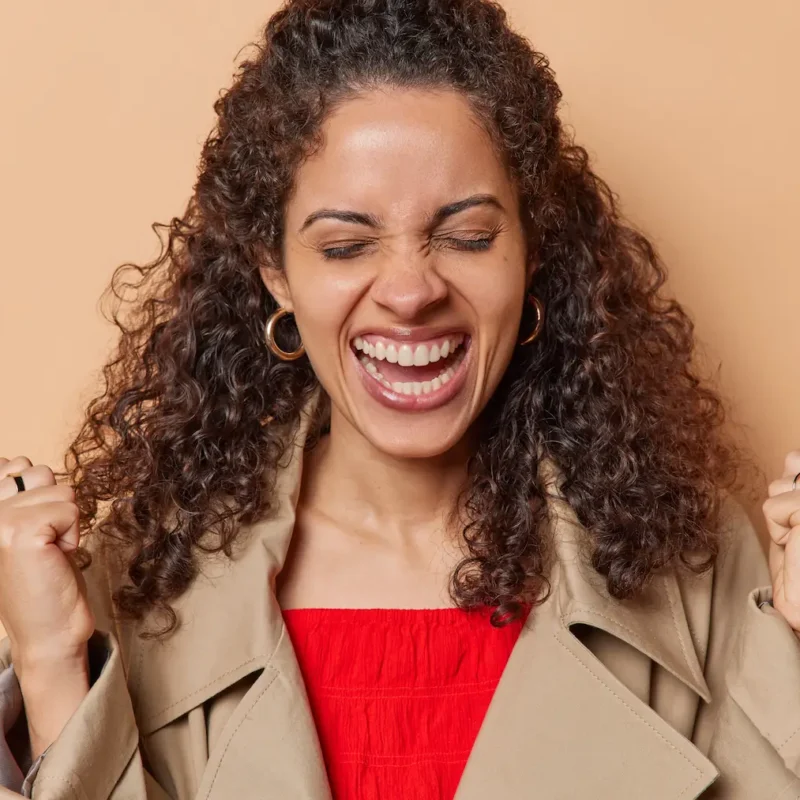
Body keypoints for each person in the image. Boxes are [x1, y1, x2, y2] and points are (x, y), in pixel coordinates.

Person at [1, 0, 799, 797]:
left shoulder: (695, 561)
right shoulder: (143, 582)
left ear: (532, 250)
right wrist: (50, 664)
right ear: (274, 271)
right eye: (346, 245)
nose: (412, 292)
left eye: (468, 236)